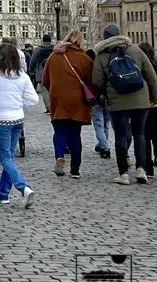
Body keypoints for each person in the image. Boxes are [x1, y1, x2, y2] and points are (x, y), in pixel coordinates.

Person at [91, 25, 157, 185]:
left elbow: (97, 81)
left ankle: (124, 174)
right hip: (140, 99)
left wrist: (102, 96)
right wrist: (154, 97)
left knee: (121, 136)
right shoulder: (136, 50)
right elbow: (151, 76)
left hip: (117, 100)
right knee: (140, 134)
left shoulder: (101, 56)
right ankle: (141, 170)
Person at [0, 42, 38, 207]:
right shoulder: (23, 76)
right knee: (10, 157)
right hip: (17, 119)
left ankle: (23, 187)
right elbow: (33, 99)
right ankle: (2, 194)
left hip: (1, 120)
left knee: (5, 157)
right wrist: (19, 105)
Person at [42, 30, 93, 178]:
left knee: (59, 132)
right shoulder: (85, 59)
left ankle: (59, 156)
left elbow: (45, 80)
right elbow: (91, 82)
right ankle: (75, 170)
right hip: (77, 101)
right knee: (75, 135)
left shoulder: (53, 57)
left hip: (58, 100)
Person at [141, 43, 157, 179]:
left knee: (144, 136)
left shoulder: (140, 68)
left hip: (143, 105)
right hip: (156, 105)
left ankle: (147, 167)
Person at [30, 34, 55, 114]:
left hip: (41, 71)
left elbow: (33, 60)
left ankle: (48, 107)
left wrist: (32, 69)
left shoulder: (38, 49)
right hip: (53, 71)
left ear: (43, 40)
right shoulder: (54, 48)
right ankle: (54, 106)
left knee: (44, 90)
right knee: (53, 89)